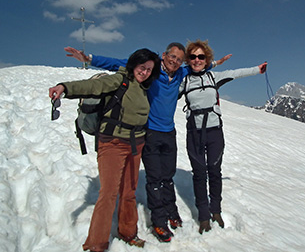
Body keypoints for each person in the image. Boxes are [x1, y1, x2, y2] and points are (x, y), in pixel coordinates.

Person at [64, 44, 231, 242]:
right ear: (164, 55)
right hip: (150, 133)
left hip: (169, 133)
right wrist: (89, 59)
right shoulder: (151, 70)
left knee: (168, 176)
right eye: (172, 57)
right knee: (154, 179)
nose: (175, 61)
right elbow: (120, 64)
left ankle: (172, 212)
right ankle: (159, 222)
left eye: (179, 59)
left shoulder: (180, 73)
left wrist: (215, 63)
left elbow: (198, 67)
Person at [49, 48, 161, 251]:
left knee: (129, 192)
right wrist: (65, 87)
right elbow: (93, 86)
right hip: (113, 143)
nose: (144, 72)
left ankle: (128, 233)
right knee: (108, 193)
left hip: (136, 144)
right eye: (142, 67)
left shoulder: (144, 88)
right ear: (134, 64)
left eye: (149, 70)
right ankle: (96, 244)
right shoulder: (120, 79)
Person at [178, 40, 267, 234]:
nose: (197, 60)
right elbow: (166, 95)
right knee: (199, 174)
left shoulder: (213, 76)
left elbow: (236, 73)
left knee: (214, 171)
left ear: (206, 59)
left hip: (214, 131)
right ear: (188, 60)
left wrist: (257, 70)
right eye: (193, 57)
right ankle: (203, 216)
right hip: (194, 132)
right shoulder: (184, 81)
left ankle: (215, 210)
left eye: (201, 56)